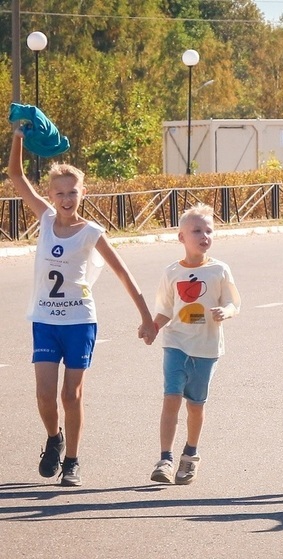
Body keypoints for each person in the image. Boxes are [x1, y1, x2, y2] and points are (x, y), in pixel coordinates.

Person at [8, 128, 157, 487]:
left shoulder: (91, 232)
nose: (66, 198)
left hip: (79, 322)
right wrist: (17, 138)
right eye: (59, 193)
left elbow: (123, 273)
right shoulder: (44, 219)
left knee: (70, 394)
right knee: (45, 394)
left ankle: (72, 460)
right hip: (44, 319)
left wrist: (147, 318)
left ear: (82, 193)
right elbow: (15, 175)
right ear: (50, 195)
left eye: (72, 191)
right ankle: (54, 438)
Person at [149, 203, 241, 485]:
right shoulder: (171, 272)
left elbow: (233, 302)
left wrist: (226, 311)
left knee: (196, 406)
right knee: (171, 398)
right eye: (196, 231)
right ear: (181, 238)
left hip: (206, 348)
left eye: (209, 230)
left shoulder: (219, 270)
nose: (204, 236)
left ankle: (190, 455)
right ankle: (165, 458)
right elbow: (165, 309)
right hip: (175, 342)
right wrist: (152, 327)